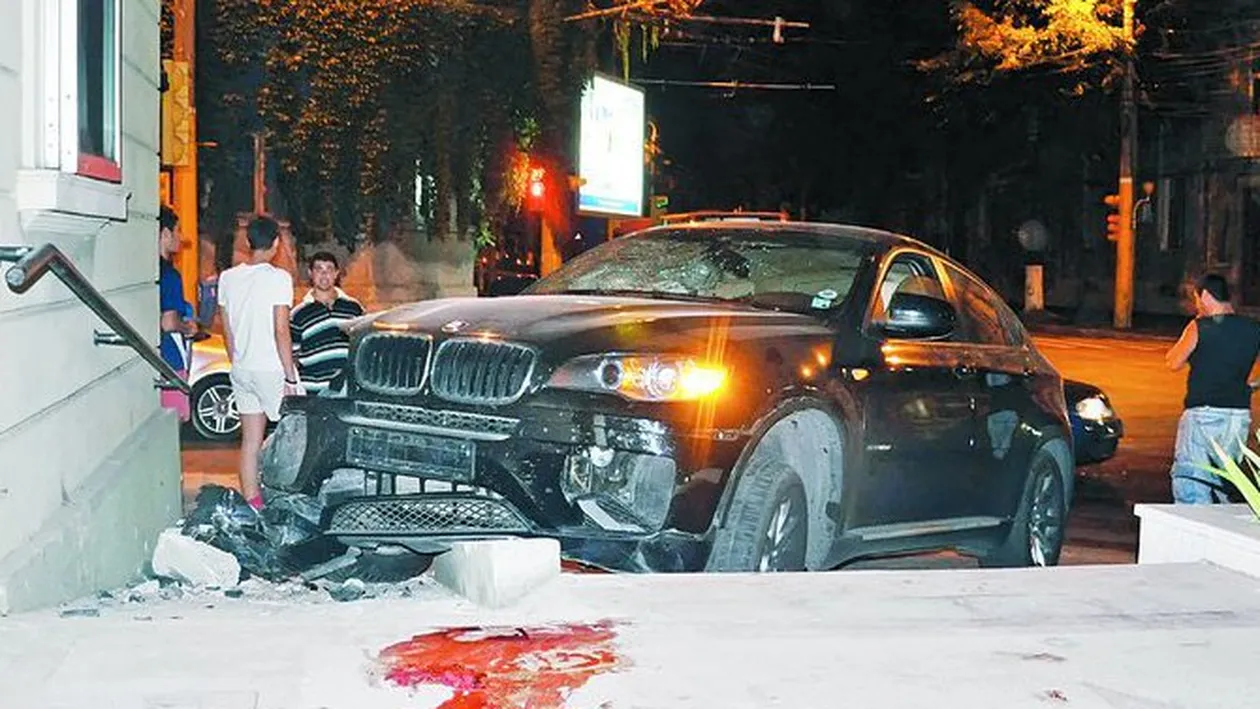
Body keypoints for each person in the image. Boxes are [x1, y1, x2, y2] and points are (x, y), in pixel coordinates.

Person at [217, 216, 301, 510]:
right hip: (271, 368)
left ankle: (254, 504)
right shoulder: (279, 278)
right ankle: (288, 500)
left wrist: (236, 362)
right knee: (296, 436)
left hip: (242, 368)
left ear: (248, 242)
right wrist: (290, 377)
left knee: (250, 441)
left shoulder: (228, 278)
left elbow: (227, 329)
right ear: (276, 242)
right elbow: (281, 330)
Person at [1164, 273, 1260, 504]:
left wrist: (1194, 325)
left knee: (1192, 480)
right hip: (1238, 416)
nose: (1197, 305)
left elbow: (1173, 361)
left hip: (1203, 414)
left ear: (1206, 295)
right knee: (1225, 480)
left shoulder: (1199, 327)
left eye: (1197, 299)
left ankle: (1194, 525)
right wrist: (1253, 384)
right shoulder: (1253, 328)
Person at [290, 251, 364, 393]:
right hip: (314, 389)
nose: (324, 274)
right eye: (319, 269)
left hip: (348, 388)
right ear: (310, 273)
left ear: (336, 273)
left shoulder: (354, 308)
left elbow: (361, 345)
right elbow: (293, 355)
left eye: (329, 269)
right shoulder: (298, 314)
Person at [157, 206, 196, 422]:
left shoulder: (145, 270)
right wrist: (187, 326)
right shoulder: (170, 275)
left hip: (153, 358)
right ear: (165, 234)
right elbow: (169, 321)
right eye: (177, 230)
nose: (181, 237)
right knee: (174, 421)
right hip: (170, 358)